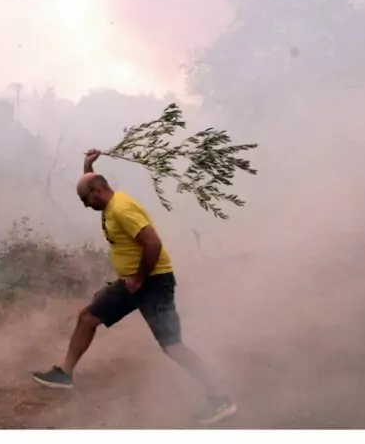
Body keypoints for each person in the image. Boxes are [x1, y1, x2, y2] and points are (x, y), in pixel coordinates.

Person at [31, 148, 237, 425]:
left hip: (153, 282)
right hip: (133, 282)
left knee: (173, 346)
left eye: (85, 199)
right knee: (87, 318)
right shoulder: (106, 200)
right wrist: (87, 166)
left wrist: (139, 279)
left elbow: (153, 244)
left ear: (98, 191)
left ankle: (220, 398)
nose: (85, 205)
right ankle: (64, 374)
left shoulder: (122, 209)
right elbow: (92, 184)